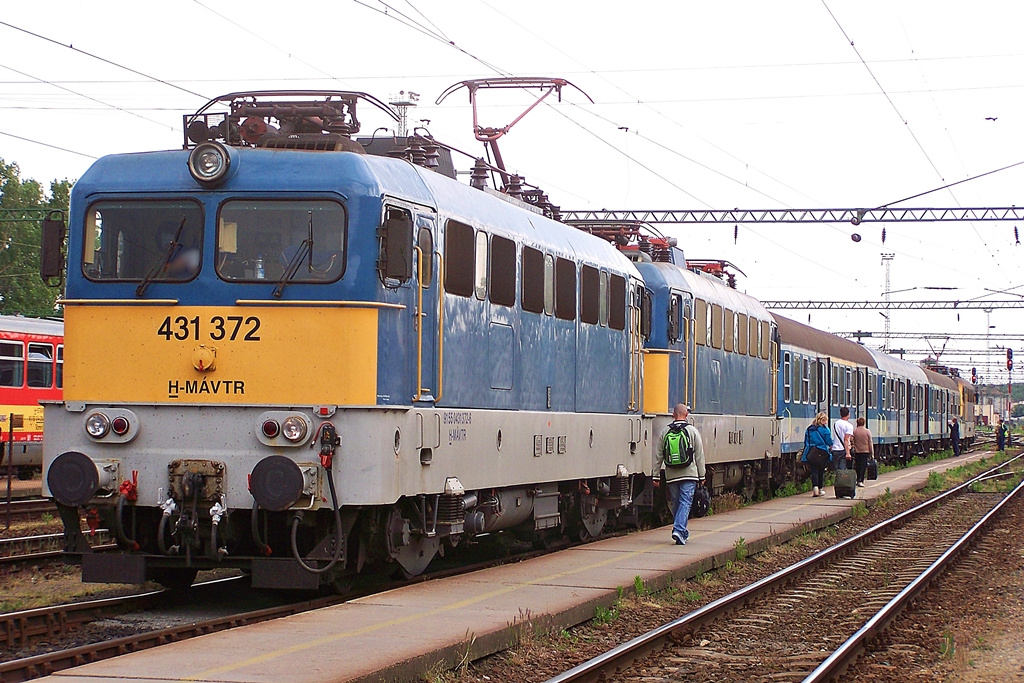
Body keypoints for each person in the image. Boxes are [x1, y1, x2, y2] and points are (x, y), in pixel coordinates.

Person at [660, 403, 706, 546]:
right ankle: (679, 529)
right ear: (686, 415)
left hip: (671, 474)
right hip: (689, 474)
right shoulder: (692, 431)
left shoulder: (665, 432)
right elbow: (699, 455)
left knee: (677, 502)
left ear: (673, 415)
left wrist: (655, 475)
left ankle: (681, 530)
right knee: (685, 502)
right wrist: (702, 475)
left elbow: (658, 455)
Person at [802, 411, 833, 497]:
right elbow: (829, 441)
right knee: (821, 471)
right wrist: (831, 446)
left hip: (812, 452)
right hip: (822, 452)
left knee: (814, 471)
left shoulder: (809, 429)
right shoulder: (825, 430)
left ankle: (815, 488)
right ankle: (820, 488)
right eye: (825, 420)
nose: (826, 422)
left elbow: (806, 441)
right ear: (823, 420)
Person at [851, 417, 874, 487]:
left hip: (857, 451)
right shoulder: (867, 432)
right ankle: (861, 480)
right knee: (863, 466)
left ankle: (857, 479)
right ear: (864, 423)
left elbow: (852, 440)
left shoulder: (854, 431)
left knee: (857, 466)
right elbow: (870, 442)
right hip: (865, 451)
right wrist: (872, 453)